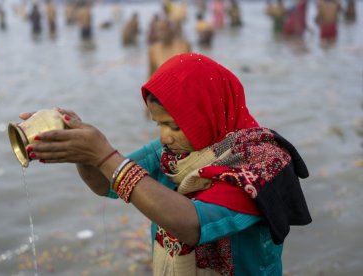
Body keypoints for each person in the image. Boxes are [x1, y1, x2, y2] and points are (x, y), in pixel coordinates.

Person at [20, 52, 312, 275]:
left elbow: (191, 224)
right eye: (158, 124)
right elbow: (105, 184)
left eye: (174, 125)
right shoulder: (172, 154)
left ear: (205, 114)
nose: (164, 137)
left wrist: (104, 155)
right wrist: (83, 153)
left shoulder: (262, 164)